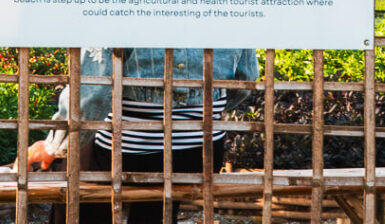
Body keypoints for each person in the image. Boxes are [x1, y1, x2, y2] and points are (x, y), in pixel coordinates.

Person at [27, 46, 258, 224]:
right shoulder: (220, 4)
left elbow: (91, 92)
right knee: (158, 207)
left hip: (126, 149)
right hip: (199, 152)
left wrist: (53, 147)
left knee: (78, 199)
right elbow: (245, 79)